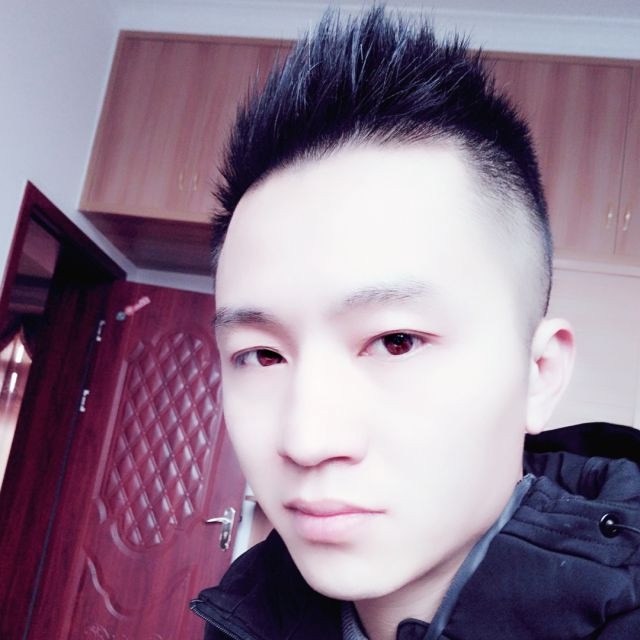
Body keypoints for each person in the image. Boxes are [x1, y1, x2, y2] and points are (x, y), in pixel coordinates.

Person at [190, 7, 640, 639]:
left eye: (396, 341)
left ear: (538, 373)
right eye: (263, 355)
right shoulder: (244, 615)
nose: (307, 440)